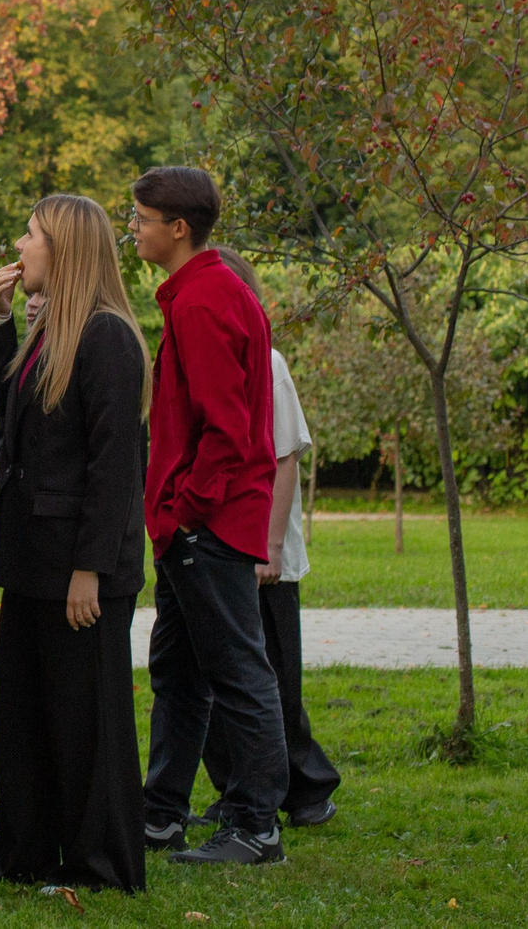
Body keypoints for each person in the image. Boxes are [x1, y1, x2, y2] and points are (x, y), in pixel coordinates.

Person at [0, 194, 150, 893]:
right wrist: (1, 320)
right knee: (20, 704)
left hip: (78, 564)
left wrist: (89, 570)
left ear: (64, 250)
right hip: (32, 557)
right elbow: (11, 406)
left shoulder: (106, 337)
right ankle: (29, 848)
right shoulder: (57, 328)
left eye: (33, 234)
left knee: (85, 719)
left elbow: (114, 469)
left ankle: (98, 863)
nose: (21, 242)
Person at [128, 165, 290, 867]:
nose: (132, 228)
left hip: (210, 525)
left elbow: (227, 430)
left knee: (238, 673)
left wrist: (185, 509)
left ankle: (257, 826)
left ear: (178, 227)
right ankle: (162, 811)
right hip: (194, 525)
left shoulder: (203, 301)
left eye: (140, 218)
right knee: (180, 670)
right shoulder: (203, 291)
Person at [199, 247, 341, 832]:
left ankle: (306, 790)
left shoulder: (270, 362)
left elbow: (285, 458)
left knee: (273, 680)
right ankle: (243, 788)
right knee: (226, 680)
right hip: (224, 547)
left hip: (263, 554)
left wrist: (270, 547)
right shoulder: (218, 357)